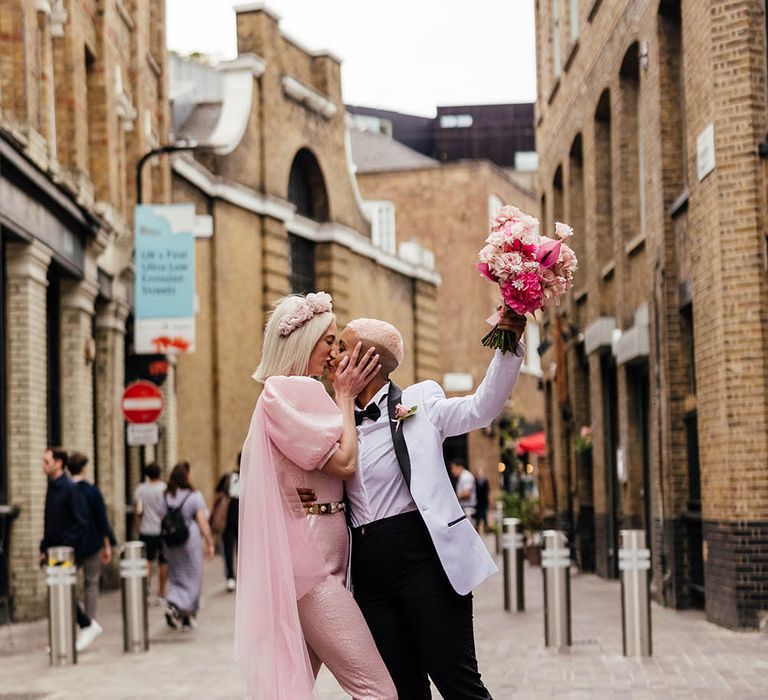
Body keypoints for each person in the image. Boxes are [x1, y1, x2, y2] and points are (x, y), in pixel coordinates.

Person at [329, 310, 526, 699]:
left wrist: (508, 342)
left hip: (424, 561)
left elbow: (481, 407)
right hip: (368, 572)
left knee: (458, 684)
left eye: (342, 347)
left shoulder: (421, 402)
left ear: (368, 361)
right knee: (402, 690)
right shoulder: (334, 419)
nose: (333, 355)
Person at [235, 292, 396, 700]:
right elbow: (343, 463)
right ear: (303, 342)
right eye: (328, 340)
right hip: (314, 566)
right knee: (377, 690)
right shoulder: (291, 391)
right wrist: (344, 396)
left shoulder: (293, 393)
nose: (334, 352)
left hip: (317, 559)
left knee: (290, 690)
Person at [39, 447, 103, 652]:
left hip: (64, 551)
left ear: (59, 463)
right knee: (57, 592)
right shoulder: (53, 487)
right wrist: (44, 546)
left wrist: (66, 546)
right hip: (54, 550)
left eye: (46, 461)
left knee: (63, 591)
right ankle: (64, 636)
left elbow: (81, 521)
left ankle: (86, 624)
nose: (43, 465)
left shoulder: (69, 488)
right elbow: (51, 523)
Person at [162, 461, 214, 630]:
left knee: (176, 576)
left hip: (170, 541)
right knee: (193, 577)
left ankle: (178, 609)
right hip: (189, 541)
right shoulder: (194, 496)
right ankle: (179, 608)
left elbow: (161, 516)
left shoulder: (166, 495)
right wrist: (209, 541)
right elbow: (202, 522)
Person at [67, 452, 116, 620]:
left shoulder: (65, 490)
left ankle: (72, 614)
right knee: (92, 582)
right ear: (84, 468)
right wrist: (107, 545)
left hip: (70, 546)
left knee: (65, 582)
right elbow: (101, 520)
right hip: (92, 544)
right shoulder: (92, 491)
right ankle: (89, 618)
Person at [133, 462, 168, 602]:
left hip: (146, 530)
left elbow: (137, 509)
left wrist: (138, 526)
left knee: (147, 561)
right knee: (163, 562)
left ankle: (145, 589)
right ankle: (161, 593)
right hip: (162, 531)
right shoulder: (164, 489)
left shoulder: (141, 489)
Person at [213, 454, 240, 591]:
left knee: (237, 551)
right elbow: (217, 494)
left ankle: (235, 577)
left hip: (240, 521)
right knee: (230, 550)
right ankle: (231, 577)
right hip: (230, 520)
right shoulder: (229, 478)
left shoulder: (254, 477)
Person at [473, 467, 490, 533]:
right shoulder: (475, 481)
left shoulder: (485, 481)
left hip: (484, 501)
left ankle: (486, 528)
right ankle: (477, 528)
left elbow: (488, 491)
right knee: (478, 516)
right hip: (478, 501)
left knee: (484, 514)